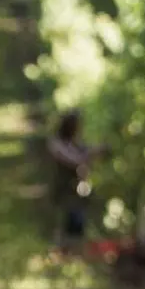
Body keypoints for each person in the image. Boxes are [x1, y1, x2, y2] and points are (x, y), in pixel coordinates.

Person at [45, 110, 98, 257]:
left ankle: (73, 251)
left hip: (74, 190)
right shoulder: (56, 143)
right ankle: (63, 251)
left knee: (77, 221)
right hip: (63, 189)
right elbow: (73, 159)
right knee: (66, 219)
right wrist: (88, 155)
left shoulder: (73, 143)